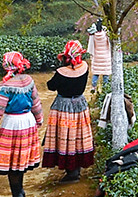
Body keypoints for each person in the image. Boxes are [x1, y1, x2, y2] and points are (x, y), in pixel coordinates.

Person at [0, 52, 43, 197]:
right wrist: (39, 119)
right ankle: (19, 193)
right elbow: (36, 102)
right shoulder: (29, 81)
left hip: (12, 123)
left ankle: (17, 195)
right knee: (20, 160)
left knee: (11, 160)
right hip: (27, 121)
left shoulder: (7, 86)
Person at [41, 40, 96, 182]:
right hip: (80, 105)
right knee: (78, 136)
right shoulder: (85, 67)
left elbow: (51, 86)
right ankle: (75, 169)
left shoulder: (61, 72)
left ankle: (71, 172)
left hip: (63, 107)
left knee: (65, 137)